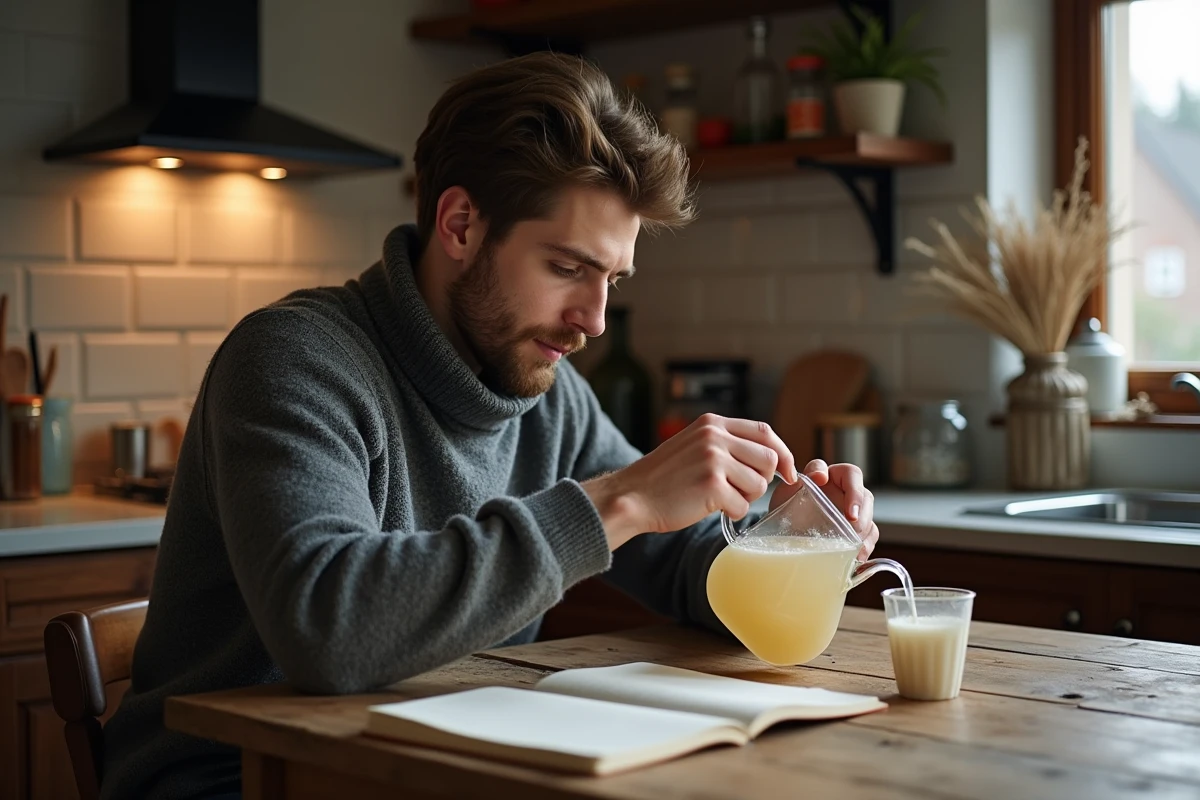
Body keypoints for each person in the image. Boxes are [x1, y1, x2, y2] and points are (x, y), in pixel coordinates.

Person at [99, 51, 879, 800]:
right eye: (568, 267)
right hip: (238, 779)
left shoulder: (548, 393)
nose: (595, 319)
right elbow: (326, 627)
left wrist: (796, 543)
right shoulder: (294, 359)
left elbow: (684, 565)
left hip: (436, 767)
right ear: (462, 224)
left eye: (612, 279)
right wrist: (620, 501)